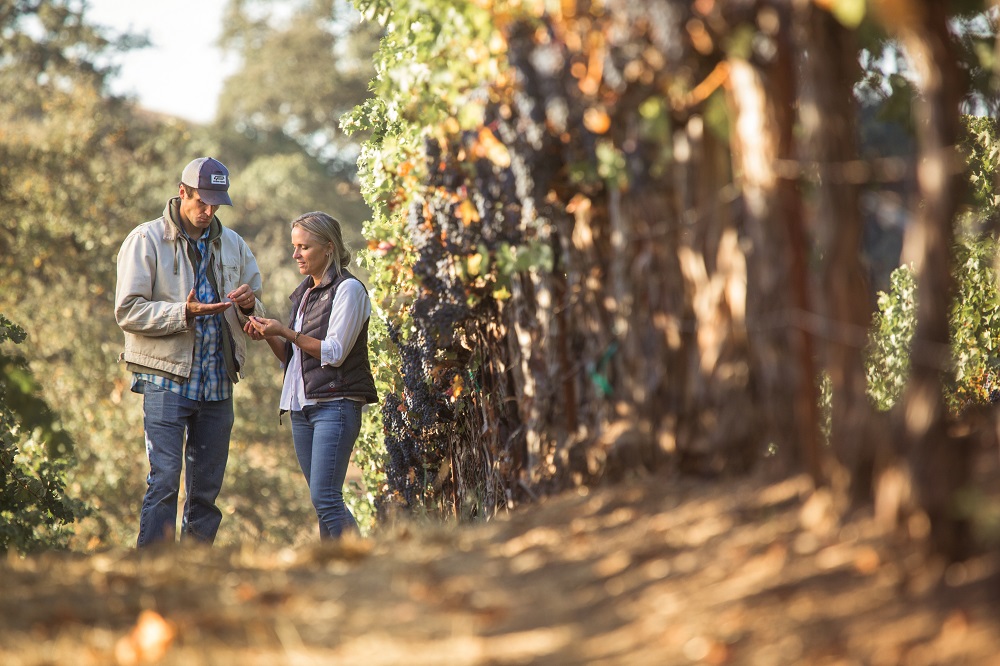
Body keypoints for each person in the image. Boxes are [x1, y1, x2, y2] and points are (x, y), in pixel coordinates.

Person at [115, 156, 265, 547]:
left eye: (216, 203)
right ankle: (153, 572)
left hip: (218, 384)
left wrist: (250, 307)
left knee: (206, 492)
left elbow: (256, 312)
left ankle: (195, 574)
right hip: (165, 379)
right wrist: (185, 312)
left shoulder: (233, 244)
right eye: (202, 201)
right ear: (182, 192)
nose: (208, 210)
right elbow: (128, 311)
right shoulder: (145, 240)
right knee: (164, 482)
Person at [244, 211, 377, 540]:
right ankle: (335, 573)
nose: (295, 255)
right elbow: (293, 359)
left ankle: (364, 561)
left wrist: (285, 331)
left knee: (326, 497)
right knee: (323, 503)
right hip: (302, 409)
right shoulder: (304, 294)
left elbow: (333, 352)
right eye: (294, 246)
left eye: (303, 247)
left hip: (336, 405)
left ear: (328, 247)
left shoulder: (349, 291)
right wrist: (268, 333)